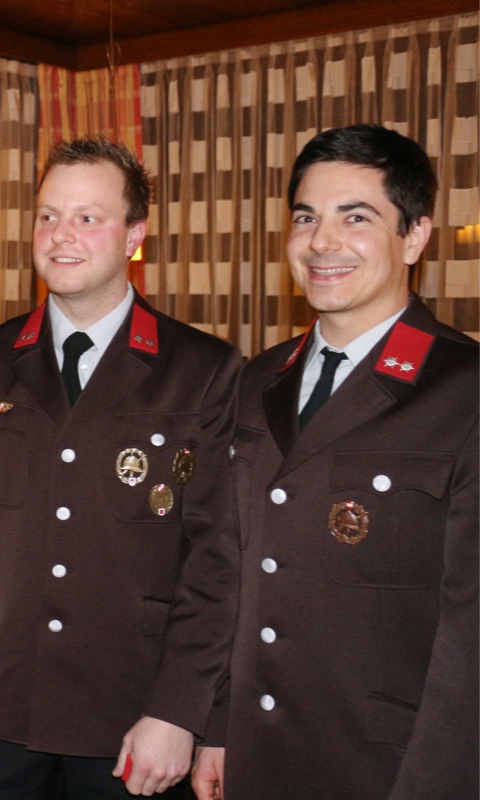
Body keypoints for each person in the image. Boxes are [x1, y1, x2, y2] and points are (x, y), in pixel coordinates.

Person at [0, 136, 241, 799]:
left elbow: (216, 561)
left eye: (88, 217)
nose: (61, 235)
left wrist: (181, 710)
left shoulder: (202, 371)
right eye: (48, 215)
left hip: (134, 711)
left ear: (134, 236)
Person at [191, 124, 479, 799]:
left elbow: (471, 632)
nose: (322, 242)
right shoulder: (258, 380)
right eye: (305, 218)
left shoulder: (463, 391)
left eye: (356, 218)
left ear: (415, 236)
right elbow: (229, 572)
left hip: (387, 767)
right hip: (255, 757)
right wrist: (217, 727)